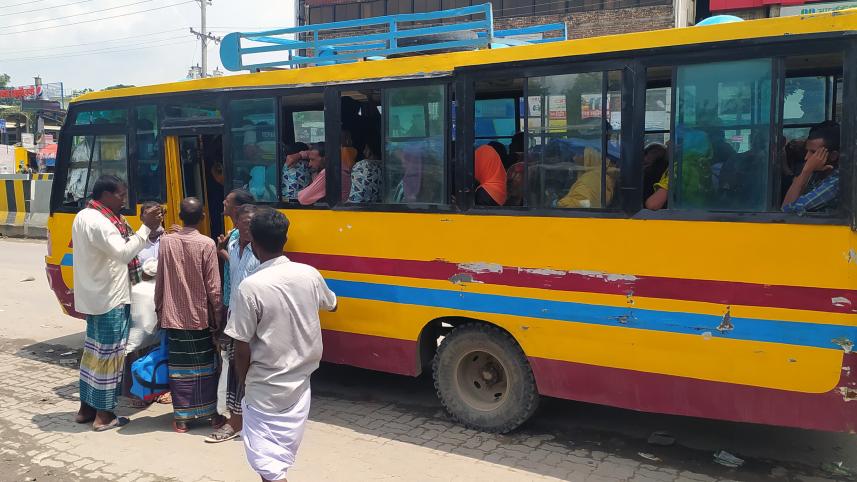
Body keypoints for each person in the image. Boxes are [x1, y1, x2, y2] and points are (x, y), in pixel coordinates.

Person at [225, 207, 337, 482]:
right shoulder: (309, 273)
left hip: (265, 388)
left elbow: (241, 346)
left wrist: (242, 384)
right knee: (276, 462)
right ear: (284, 239)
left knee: (270, 468)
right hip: (300, 386)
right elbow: (332, 304)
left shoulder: (251, 287)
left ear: (253, 243)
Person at [71, 175, 162, 431]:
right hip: (110, 298)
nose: (124, 200)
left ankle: (86, 409)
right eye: (120, 195)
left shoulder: (84, 216)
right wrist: (146, 228)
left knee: (93, 354)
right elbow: (123, 253)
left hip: (94, 296)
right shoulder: (103, 223)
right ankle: (104, 415)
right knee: (110, 357)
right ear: (106, 195)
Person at [155, 197, 227, 433]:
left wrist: (159, 308)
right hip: (200, 317)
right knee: (206, 367)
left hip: (173, 316)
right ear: (203, 217)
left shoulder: (166, 242)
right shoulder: (206, 244)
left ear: (180, 215)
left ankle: (182, 418)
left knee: (178, 368)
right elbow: (214, 287)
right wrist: (218, 316)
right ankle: (210, 415)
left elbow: (160, 280)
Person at [207, 204, 260, 443]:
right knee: (234, 372)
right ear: (236, 224)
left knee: (244, 371)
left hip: (254, 322)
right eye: (245, 223)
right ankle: (239, 418)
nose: (249, 228)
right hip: (234, 318)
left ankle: (236, 422)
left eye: (253, 224)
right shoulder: (233, 246)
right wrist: (222, 252)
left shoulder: (260, 252)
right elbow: (234, 270)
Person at [215, 189, 255, 417]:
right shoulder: (232, 239)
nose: (223, 202)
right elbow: (236, 269)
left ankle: (241, 412)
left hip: (246, 310)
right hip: (233, 305)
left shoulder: (253, 242)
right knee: (232, 358)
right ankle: (235, 408)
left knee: (242, 358)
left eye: (228, 201)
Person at [782, 121, 840, 215]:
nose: (807, 157)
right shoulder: (820, 172)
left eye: (813, 153)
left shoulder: (835, 185)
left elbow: (786, 211)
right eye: (807, 151)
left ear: (833, 156)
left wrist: (806, 171)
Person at [348, 133, 382, 203]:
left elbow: (357, 198)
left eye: (366, 148)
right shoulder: (387, 166)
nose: (363, 151)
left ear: (370, 150)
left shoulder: (363, 166)